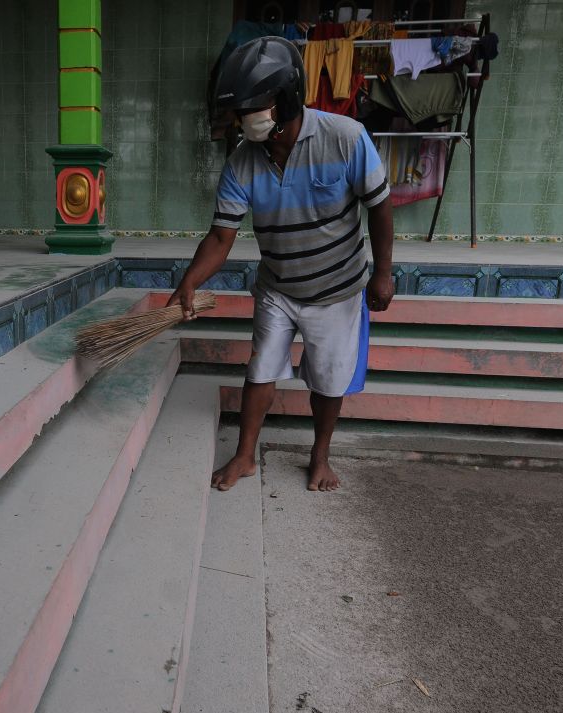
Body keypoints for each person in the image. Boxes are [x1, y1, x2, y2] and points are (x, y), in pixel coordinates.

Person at [167, 36, 394, 492]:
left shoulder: (345, 137)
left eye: (251, 107)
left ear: (284, 99)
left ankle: (320, 456)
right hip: (277, 288)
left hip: (338, 292)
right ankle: (245, 457)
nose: (242, 119)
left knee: (328, 383)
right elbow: (220, 236)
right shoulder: (242, 163)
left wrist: (384, 272)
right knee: (260, 370)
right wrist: (188, 282)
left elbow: (380, 206)